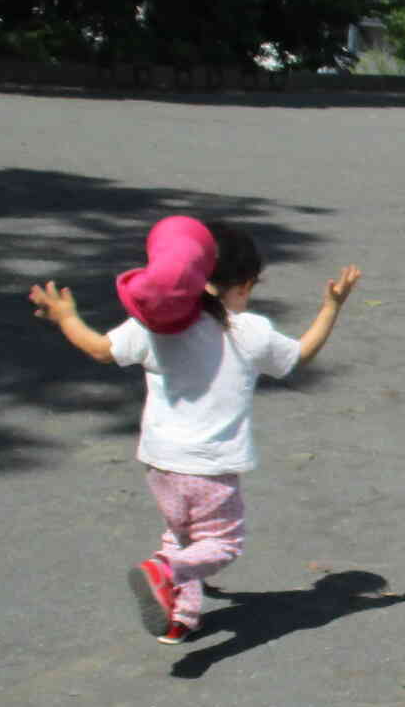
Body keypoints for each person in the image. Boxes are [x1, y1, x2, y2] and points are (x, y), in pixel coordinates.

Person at [27, 216, 362, 643]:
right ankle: (164, 573)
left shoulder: (155, 327)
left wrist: (66, 316)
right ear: (237, 285)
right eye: (249, 285)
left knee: (181, 536)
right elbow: (300, 355)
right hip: (211, 471)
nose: (249, 295)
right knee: (223, 544)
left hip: (160, 466)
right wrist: (332, 307)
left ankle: (178, 618)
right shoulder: (249, 332)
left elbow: (99, 350)